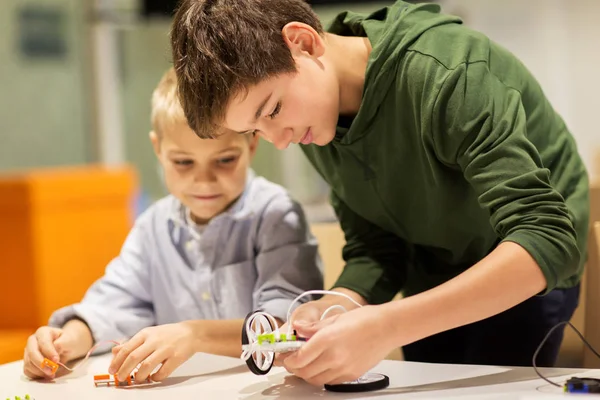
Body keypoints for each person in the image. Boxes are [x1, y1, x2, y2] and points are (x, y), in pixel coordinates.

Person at [170, 0, 590, 386]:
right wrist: (337, 305)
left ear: (303, 42)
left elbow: (548, 237)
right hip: (432, 274)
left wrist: (387, 325)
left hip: (524, 276)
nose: (278, 140)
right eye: (256, 130)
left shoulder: (447, 72)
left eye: (273, 109)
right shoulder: (316, 118)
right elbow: (376, 246)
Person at [22, 67, 323, 383]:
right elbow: (113, 305)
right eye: (183, 162)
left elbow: (285, 327)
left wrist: (195, 335)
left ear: (251, 146)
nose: (204, 180)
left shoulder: (276, 214)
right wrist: (66, 340)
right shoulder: (153, 225)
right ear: (158, 149)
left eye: (224, 160)